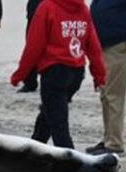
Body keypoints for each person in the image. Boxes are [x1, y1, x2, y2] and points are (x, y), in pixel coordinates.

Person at [10, 0, 107, 149]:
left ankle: (70, 164)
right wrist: (99, 75)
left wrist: (20, 74)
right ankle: (35, 145)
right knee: (50, 112)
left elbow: (34, 45)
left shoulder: (47, 7)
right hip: (76, 72)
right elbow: (93, 45)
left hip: (54, 71)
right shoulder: (82, 8)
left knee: (58, 123)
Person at [86, 0, 126, 155]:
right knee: (106, 94)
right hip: (104, 46)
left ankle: (114, 143)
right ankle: (109, 139)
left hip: (117, 46)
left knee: (113, 96)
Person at [18, 0, 43, 92]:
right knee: (32, 50)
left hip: (51, 17)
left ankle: (32, 82)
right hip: (33, 17)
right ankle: (30, 82)